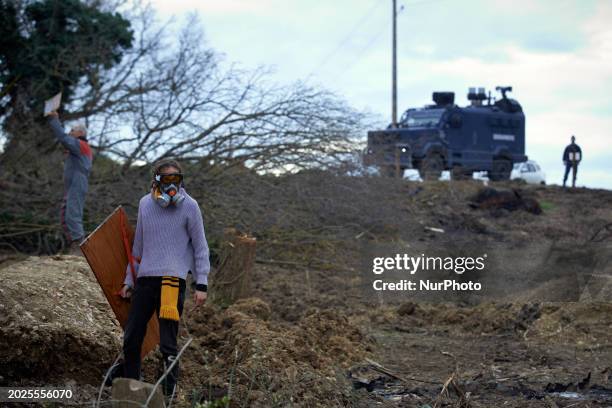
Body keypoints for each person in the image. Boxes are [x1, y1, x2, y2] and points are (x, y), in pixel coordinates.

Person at [118, 159, 210, 397]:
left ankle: (168, 393)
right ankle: (132, 387)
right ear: (156, 180)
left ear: (181, 181)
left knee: (168, 344)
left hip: (172, 282)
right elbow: (137, 248)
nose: (171, 185)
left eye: (176, 179)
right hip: (146, 281)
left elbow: (200, 247)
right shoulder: (144, 204)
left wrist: (202, 283)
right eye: (165, 179)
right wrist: (129, 280)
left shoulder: (190, 206)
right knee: (131, 338)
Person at [47, 111, 93, 255]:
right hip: (73, 183)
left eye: (72, 130)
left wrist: (54, 120)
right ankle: (75, 245)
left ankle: (79, 248)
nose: (70, 132)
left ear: (80, 132)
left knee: (72, 214)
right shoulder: (79, 146)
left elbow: (63, 138)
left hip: (78, 182)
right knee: (65, 215)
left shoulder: (81, 144)